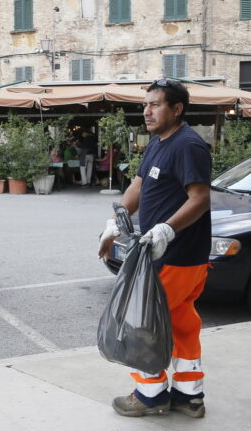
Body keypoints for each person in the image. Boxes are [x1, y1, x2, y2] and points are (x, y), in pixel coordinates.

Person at [98, 78, 211, 418]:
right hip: (176, 257)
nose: (147, 111)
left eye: (155, 104)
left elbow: (201, 198)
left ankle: (149, 395)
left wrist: (166, 229)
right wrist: (117, 221)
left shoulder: (188, 144)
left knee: (142, 323)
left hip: (174, 256)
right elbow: (140, 183)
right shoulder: (159, 143)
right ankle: (189, 395)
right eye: (145, 104)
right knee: (181, 324)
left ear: (177, 109)